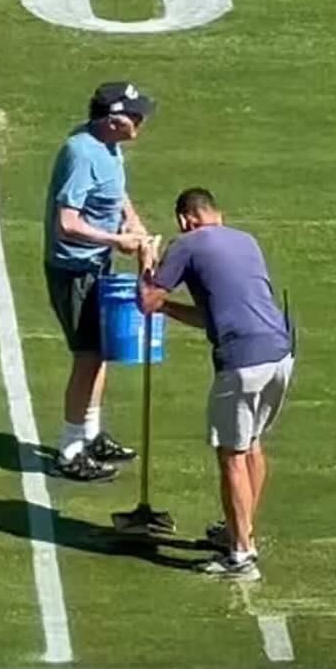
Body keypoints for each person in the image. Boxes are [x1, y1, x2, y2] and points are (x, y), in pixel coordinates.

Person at [138, 188, 294, 581]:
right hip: (280, 352)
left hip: (242, 362)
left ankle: (241, 554)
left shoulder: (186, 244)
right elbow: (216, 314)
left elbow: (146, 300)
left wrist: (146, 263)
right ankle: (238, 531)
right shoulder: (246, 241)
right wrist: (169, 309)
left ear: (184, 220)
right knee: (252, 445)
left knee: (231, 456)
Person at [43, 81, 156, 481]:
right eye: (134, 115)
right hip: (76, 270)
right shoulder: (80, 153)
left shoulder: (106, 145)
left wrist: (132, 218)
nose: (141, 120)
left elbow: (114, 188)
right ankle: (70, 449)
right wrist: (117, 240)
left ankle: (90, 433)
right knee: (88, 356)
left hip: (97, 263)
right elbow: (67, 222)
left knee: (101, 351)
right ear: (113, 120)